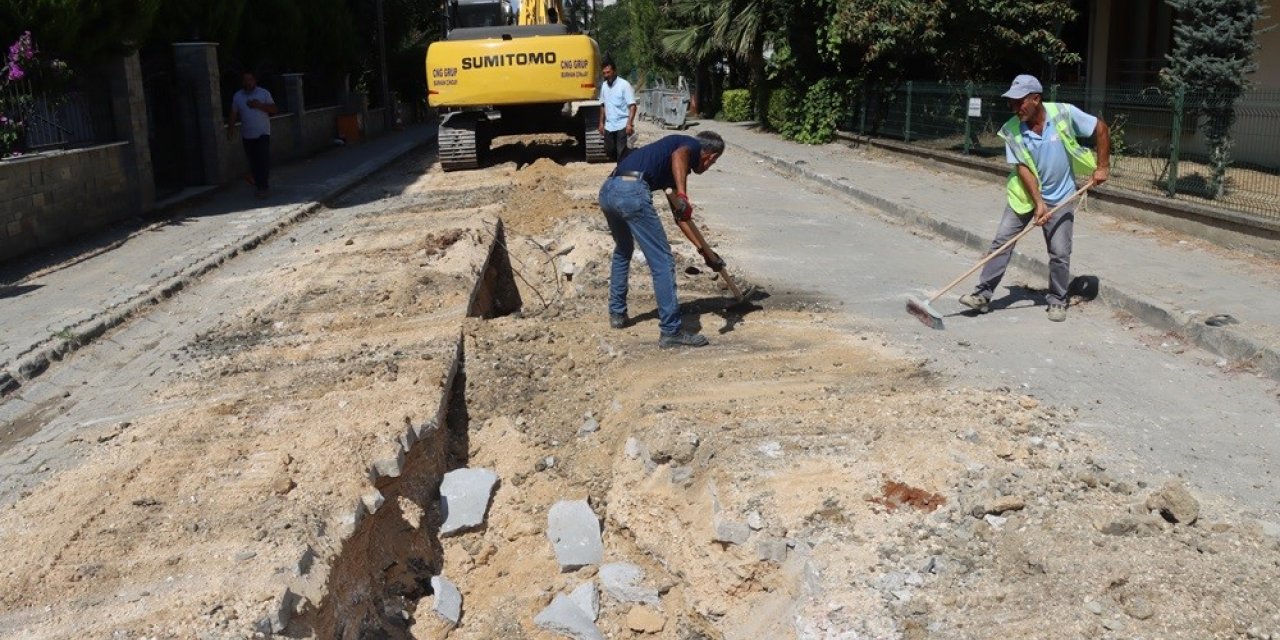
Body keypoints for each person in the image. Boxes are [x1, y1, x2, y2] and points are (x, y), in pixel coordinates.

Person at [959, 74, 1110, 322]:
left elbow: (1101, 129)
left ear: (1036, 99)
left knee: (1059, 252)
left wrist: (1103, 166)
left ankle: (1058, 301)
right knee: (1002, 242)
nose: (1014, 108)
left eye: (1020, 102)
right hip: (1025, 196)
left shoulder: (1063, 113)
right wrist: (1038, 202)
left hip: (1061, 196)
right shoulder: (1012, 130)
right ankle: (982, 295)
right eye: (1012, 103)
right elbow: (1023, 167)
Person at [598, 131, 726, 348]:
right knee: (663, 262)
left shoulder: (671, 169)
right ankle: (671, 331)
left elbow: (681, 217)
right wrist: (684, 196)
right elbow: (681, 155)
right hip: (631, 191)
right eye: (713, 162)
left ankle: (617, 314)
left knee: (623, 249)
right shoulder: (689, 146)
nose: (709, 166)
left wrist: (704, 252)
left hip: (609, 190)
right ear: (711, 156)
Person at [227, 70, 278, 199]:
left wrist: (259, 105)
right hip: (247, 134)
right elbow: (233, 113)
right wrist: (231, 129)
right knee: (253, 161)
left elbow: (274, 110)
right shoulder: (238, 96)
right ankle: (258, 184)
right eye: (245, 80)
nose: (247, 82)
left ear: (255, 81)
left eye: (250, 80)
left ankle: (263, 187)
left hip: (263, 133)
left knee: (263, 159)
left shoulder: (263, 93)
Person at [597, 58, 636, 162]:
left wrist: (629, 123)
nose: (606, 75)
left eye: (608, 72)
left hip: (622, 124)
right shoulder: (604, 86)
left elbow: (632, 105)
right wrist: (601, 123)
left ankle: (621, 171)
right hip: (609, 125)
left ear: (614, 71)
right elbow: (602, 105)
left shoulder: (624, 85)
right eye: (604, 73)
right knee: (609, 150)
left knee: (621, 152)